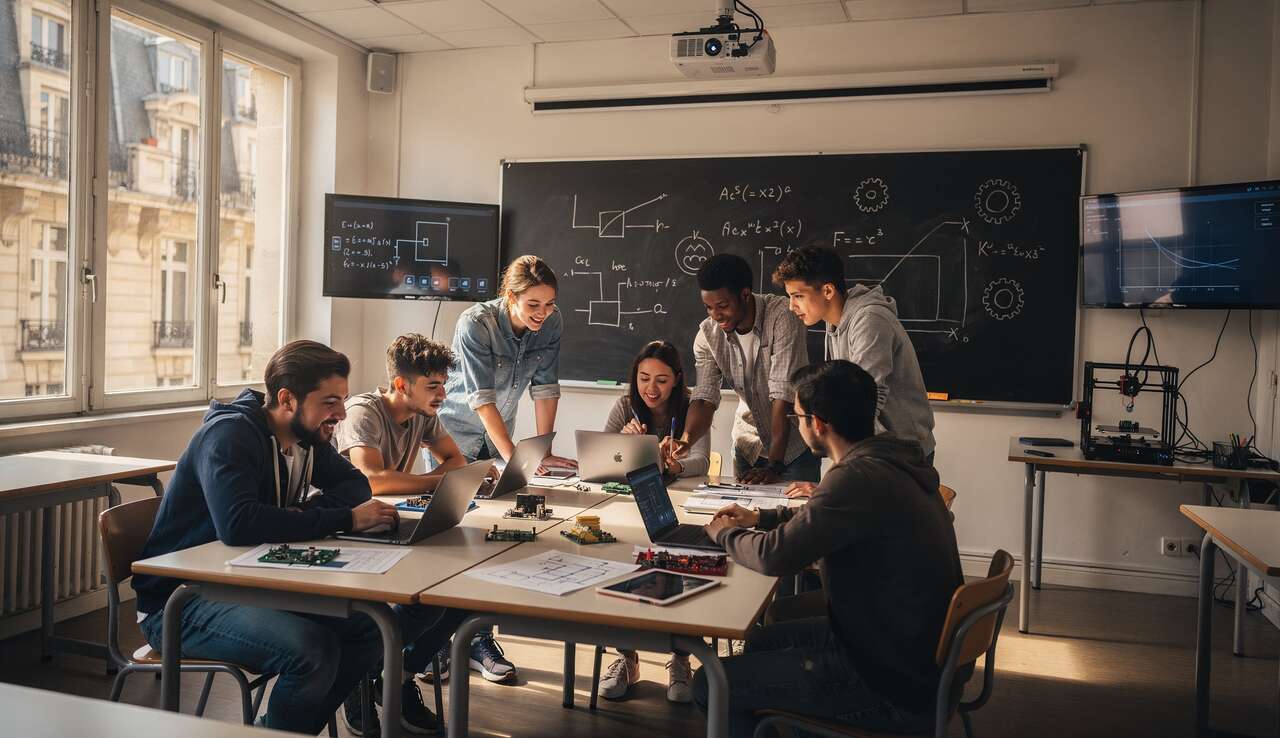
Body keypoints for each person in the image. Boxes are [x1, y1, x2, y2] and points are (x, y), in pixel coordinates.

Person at [131, 340, 466, 736]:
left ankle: (280, 726)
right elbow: (238, 525)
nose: (341, 414)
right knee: (313, 652)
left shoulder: (305, 437)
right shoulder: (230, 435)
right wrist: (339, 519)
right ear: (288, 399)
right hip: (181, 600)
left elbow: (356, 486)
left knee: (370, 629)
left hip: (244, 581)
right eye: (330, 402)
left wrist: (304, 515)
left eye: (341, 400)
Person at [696, 360, 963, 738]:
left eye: (798, 416)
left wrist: (724, 534)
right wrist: (760, 519)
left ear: (818, 423)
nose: (797, 424)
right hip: (911, 656)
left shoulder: (856, 477)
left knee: (711, 683)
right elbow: (824, 519)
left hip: (886, 681)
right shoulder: (888, 459)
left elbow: (776, 556)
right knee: (756, 641)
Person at [436, 254, 576, 683]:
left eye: (549, 304)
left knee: (490, 538)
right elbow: (481, 399)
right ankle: (435, 644)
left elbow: (546, 387)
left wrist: (543, 449)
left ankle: (477, 638)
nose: (543, 314)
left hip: (501, 436)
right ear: (508, 296)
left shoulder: (552, 323)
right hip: (454, 435)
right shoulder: (474, 324)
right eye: (533, 305)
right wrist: (514, 456)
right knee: (448, 540)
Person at [772, 245, 936, 497]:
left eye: (798, 296)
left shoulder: (869, 320)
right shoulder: (835, 323)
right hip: (876, 452)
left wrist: (834, 482)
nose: (792, 306)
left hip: (900, 454)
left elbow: (864, 404)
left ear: (827, 290)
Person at [595, 340, 707, 703]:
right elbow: (600, 459)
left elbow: (702, 460)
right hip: (629, 505)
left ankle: (680, 659)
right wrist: (626, 446)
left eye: (661, 380)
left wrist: (676, 463)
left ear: (677, 380)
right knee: (615, 563)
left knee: (680, 565)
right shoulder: (625, 405)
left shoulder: (693, 407)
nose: (651, 389)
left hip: (679, 502)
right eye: (644, 378)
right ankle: (626, 658)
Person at [671, 253, 816, 485]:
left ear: (745, 294)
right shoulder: (708, 335)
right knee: (742, 519)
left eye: (722, 306)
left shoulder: (782, 317)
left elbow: (782, 395)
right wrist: (686, 441)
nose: (715, 315)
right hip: (747, 447)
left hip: (792, 453)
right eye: (708, 307)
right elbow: (704, 396)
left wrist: (774, 465)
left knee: (794, 518)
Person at [334, 333, 471, 497]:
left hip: (385, 511)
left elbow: (457, 462)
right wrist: (443, 481)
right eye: (432, 386)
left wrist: (421, 483)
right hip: (339, 516)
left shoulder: (422, 412)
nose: (443, 395)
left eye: (443, 385)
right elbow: (372, 481)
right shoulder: (362, 412)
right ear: (402, 385)